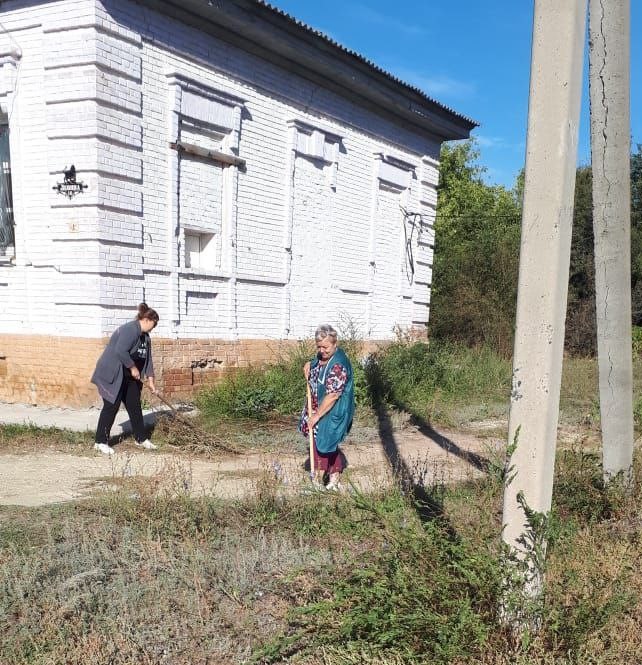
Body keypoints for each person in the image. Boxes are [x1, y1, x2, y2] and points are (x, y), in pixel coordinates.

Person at [91, 303, 159, 455]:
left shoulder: (146, 338)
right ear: (147, 319)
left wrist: (151, 381)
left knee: (135, 406)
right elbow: (120, 350)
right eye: (153, 325)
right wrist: (133, 368)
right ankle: (100, 441)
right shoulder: (130, 329)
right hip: (114, 374)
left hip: (129, 377)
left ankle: (141, 438)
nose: (153, 329)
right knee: (111, 406)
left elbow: (148, 360)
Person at [299, 324, 355, 491]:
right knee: (325, 442)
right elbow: (317, 362)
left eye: (326, 347)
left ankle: (317, 482)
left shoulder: (338, 365)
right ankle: (334, 478)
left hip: (333, 409)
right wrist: (310, 363)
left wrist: (316, 416)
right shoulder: (322, 357)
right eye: (319, 346)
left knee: (323, 442)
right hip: (318, 406)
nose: (322, 350)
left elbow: (332, 395)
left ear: (335, 343)